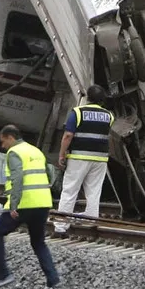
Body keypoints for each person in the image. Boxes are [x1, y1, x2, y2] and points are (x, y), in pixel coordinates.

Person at [0, 125, 59, 289]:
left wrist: (14, 204)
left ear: (10, 137)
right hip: (43, 203)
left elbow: (18, 177)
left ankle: (3, 274)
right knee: (38, 242)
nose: (2, 146)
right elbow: (51, 171)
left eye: (3, 142)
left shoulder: (14, 153)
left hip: (24, 204)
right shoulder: (35, 151)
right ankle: (53, 280)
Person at [56, 85, 113, 218]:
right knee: (94, 191)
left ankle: (61, 224)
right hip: (100, 159)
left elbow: (68, 135)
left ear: (88, 97)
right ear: (102, 100)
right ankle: (92, 220)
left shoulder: (77, 112)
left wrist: (61, 154)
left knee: (70, 189)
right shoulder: (109, 116)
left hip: (79, 157)